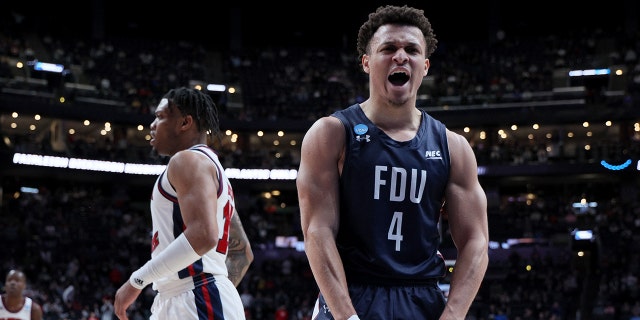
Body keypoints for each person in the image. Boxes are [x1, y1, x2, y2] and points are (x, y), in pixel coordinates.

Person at [296, 5, 489, 320]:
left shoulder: (453, 147)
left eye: (411, 50)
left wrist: (453, 315)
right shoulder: (331, 133)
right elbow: (317, 231)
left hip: (422, 297)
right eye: (388, 48)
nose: (401, 56)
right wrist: (347, 316)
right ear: (367, 62)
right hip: (352, 292)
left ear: (424, 66)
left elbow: (476, 241)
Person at [114, 87, 254, 320]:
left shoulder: (187, 160)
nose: (152, 125)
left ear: (185, 122)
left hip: (196, 296)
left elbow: (203, 235)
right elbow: (242, 252)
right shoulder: (210, 168)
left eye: (160, 117)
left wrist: (137, 280)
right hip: (191, 296)